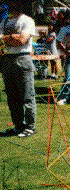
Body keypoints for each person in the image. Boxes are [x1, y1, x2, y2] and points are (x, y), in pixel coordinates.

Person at [0, 0, 37, 137]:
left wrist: (5, 38)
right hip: (6, 59)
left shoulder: (27, 21)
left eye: (18, 3)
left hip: (23, 58)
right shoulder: (4, 22)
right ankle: (18, 126)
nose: (15, 5)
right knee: (12, 97)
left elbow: (22, 40)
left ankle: (30, 127)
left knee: (27, 96)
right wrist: (11, 37)